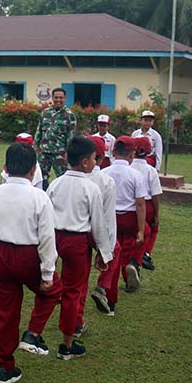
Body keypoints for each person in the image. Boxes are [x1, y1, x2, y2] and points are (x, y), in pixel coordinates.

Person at [0, 143, 62, 383]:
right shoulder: (39, 197)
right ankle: (32, 334)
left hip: (0, 255)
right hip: (28, 255)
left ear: (4, 167)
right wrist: (47, 272)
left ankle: (4, 367)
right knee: (53, 291)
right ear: (34, 169)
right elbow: (47, 238)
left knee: (4, 312)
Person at [35, 137, 111, 351]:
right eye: (95, 159)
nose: (97, 163)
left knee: (47, 282)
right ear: (86, 162)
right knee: (72, 292)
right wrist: (103, 253)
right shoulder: (91, 188)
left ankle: (35, 332)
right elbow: (98, 223)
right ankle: (67, 344)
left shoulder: (56, 183)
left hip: (54, 237)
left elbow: (45, 214)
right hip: (77, 242)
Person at [101, 137, 148, 313]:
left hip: (110, 218)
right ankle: (134, 262)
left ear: (113, 152)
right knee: (146, 235)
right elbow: (141, 204)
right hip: (129, 218)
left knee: (113, 256)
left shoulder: (105, 172)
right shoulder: (136, 175)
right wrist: (141, 231)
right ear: (132, 154)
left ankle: (111, 303)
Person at [83, 135, 117, 330]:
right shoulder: (105, 180)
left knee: (77, 278)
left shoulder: (63, 179)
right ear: (101, 158)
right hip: (95, 231)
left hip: (70, 234)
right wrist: (106, 251)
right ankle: (102, 287)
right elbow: (107, 219)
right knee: (116, 249)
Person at [34, 88, 76, 187]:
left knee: (63, 178)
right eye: (56, 97)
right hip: (44, 152)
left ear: (65, 99)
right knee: (40, 178)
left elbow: (71, 135)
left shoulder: (69, 115)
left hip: (60, 153)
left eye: (61, 98)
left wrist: (68, 152)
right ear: (52, 98)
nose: (58, 100)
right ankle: (43, 196)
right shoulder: (45, 113)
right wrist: (35, 145)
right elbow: (39, 130)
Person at [132, 137, 162, 271]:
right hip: (147, 204)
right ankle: (145, 253)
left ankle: (138, 256)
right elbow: (156, 194)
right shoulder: (151, 170)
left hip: (130, 205)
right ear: (149, 151)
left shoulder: (129, 167)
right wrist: (156, 213)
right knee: (152, 229)